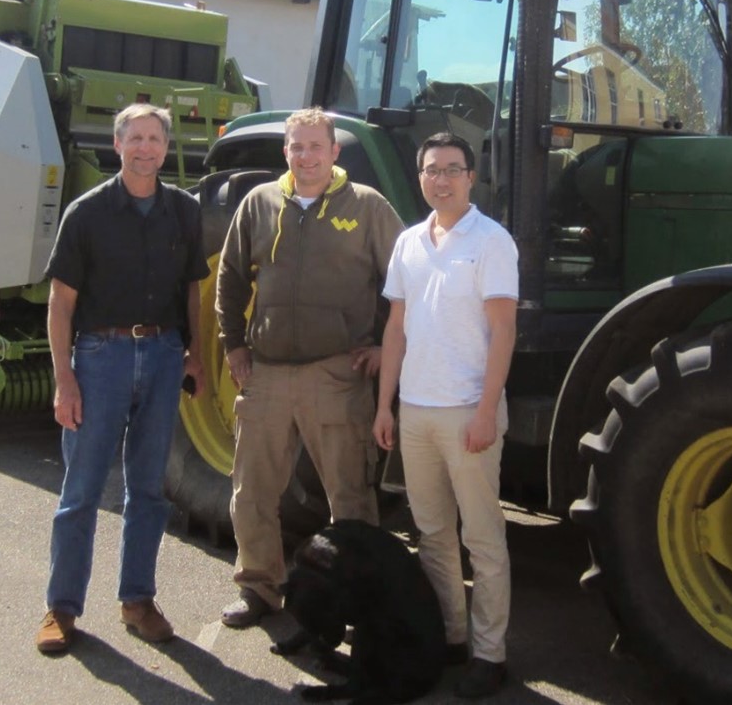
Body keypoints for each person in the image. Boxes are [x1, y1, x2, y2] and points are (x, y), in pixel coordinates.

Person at [216, 107, 405, 628]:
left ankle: (359, 597)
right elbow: (230, 277)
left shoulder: (367, 206)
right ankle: (259, 587)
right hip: (268, 374)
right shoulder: (259, 203)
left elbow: (407, 281)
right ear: (285, 151)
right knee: (251, 490)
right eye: (296, 147)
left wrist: (386, 349)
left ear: (334, 151)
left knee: (349, 495)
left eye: (315, 147)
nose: (305, 156)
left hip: (336, 374)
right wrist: (234, 346)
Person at [35, 103, 210, 653]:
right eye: (135, 138)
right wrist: (65, 378)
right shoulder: (86, 214)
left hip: (162, 355)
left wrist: (197, 354)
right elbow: (60, 304)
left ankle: (137, 600)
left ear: (165, 146)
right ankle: (61, 609)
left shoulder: (184, 211)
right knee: (81, 490)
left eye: (154, 138)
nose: (145, 148)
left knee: (150, 489)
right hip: (100, 357)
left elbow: (192, 291)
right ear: (117, 145)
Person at [372, 132, 518, 699]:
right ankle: (453, 637)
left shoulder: (491, 241)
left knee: (483, 537)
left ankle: (490, 653)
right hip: (416, 411)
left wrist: (487, 411)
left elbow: (504, 330)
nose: (441, 178)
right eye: (432, 170)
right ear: (421, 177)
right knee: (432, 533)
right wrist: (386, 405)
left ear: (472, 178)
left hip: (467, 413)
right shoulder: (409, 243)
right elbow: (395, 329)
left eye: (452, 169)